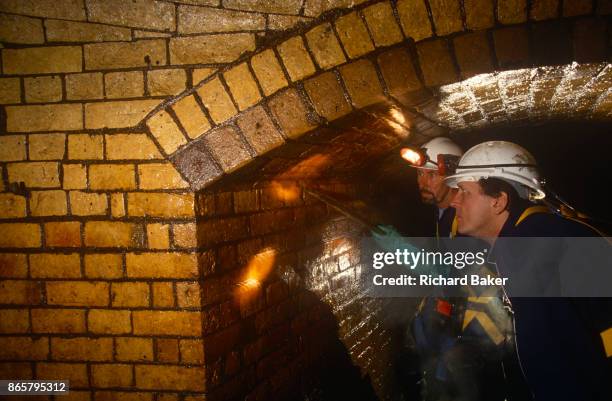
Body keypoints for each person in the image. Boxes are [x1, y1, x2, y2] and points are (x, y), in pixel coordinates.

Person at [444, 140, 611, 401]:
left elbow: (557, 366)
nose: (454, 201)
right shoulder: (535, 233)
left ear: (498, 201)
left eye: (465, 191)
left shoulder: (530, 248)